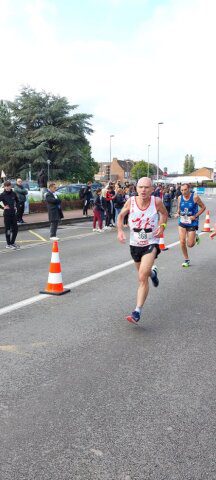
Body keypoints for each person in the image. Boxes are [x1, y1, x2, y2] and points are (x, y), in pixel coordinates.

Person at [117, 177, 168, 324]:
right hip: (135, 244)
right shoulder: (131, 202)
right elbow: (121, 216)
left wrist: (162, 227)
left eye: (146, 187)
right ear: (136, 188)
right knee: (144, 275)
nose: (143, 190)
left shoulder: (156, 202)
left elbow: (164, 214)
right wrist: (120, 231)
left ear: (152, 189)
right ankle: (153, 273)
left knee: (141, 276)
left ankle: (137, 311)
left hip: (151, 242)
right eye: (140, 187)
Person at [175, 183, 206, 267]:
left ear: (189, 189)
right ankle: (186, 259)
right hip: (182, 221)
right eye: (182, 190)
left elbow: (203, 207)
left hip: (192, 221)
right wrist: (177, 213)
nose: (183, 192)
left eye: (185, 190)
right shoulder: (179, 198)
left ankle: (195, 236)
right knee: (182, 241)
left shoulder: (195, 197)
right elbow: (179, 208)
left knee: (190, 244)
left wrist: (195, 216)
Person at [0, 180, 20, 249]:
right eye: (6, 186)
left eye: (9, 186)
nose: (7, 187)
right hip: (7, 215)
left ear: (10, 186)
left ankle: (12, 242)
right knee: (8, 229)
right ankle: (8, 244)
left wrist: (16, 207)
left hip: (13, 214)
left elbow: (17, 201)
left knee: (15, 229)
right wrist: (3, 207)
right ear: (4, 187)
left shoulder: (13, 193)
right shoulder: (2, 195)